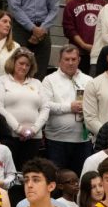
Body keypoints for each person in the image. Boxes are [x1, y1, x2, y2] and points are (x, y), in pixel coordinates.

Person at [40, 45, 94, 176]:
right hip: (56, 139)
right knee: (57, 178)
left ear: (79, 60)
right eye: (66, 59)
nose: (70, 62)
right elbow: (44, 105)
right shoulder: (49, 80)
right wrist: (69, 107)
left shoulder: (89, 80)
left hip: (83, 140)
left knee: (81, 178)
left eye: (73, 59)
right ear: (59, 61)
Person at [0, 48, 49, 167]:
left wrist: (34, 129)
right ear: (13, 62)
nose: (24, 67)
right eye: (21, 63)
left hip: (34, 138)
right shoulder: (1, 81)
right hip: (10, 136)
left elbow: (45, 107)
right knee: (8, 170)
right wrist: (18, 129)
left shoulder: (37, 83)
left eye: (27, 65)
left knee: (28, 172)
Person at [7, 0, 58, 80]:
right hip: (20, 29)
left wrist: (42, 29)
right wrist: (33, 28)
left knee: (40, 73)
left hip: (43, 30)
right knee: (17, 70)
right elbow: (14, 7)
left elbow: (54, 9)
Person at [63, 0, 106, 72]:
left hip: (98, 53)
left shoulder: (104, 4)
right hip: (77, 53)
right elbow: (69, 29)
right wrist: (83, 45)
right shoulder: (71, 4)